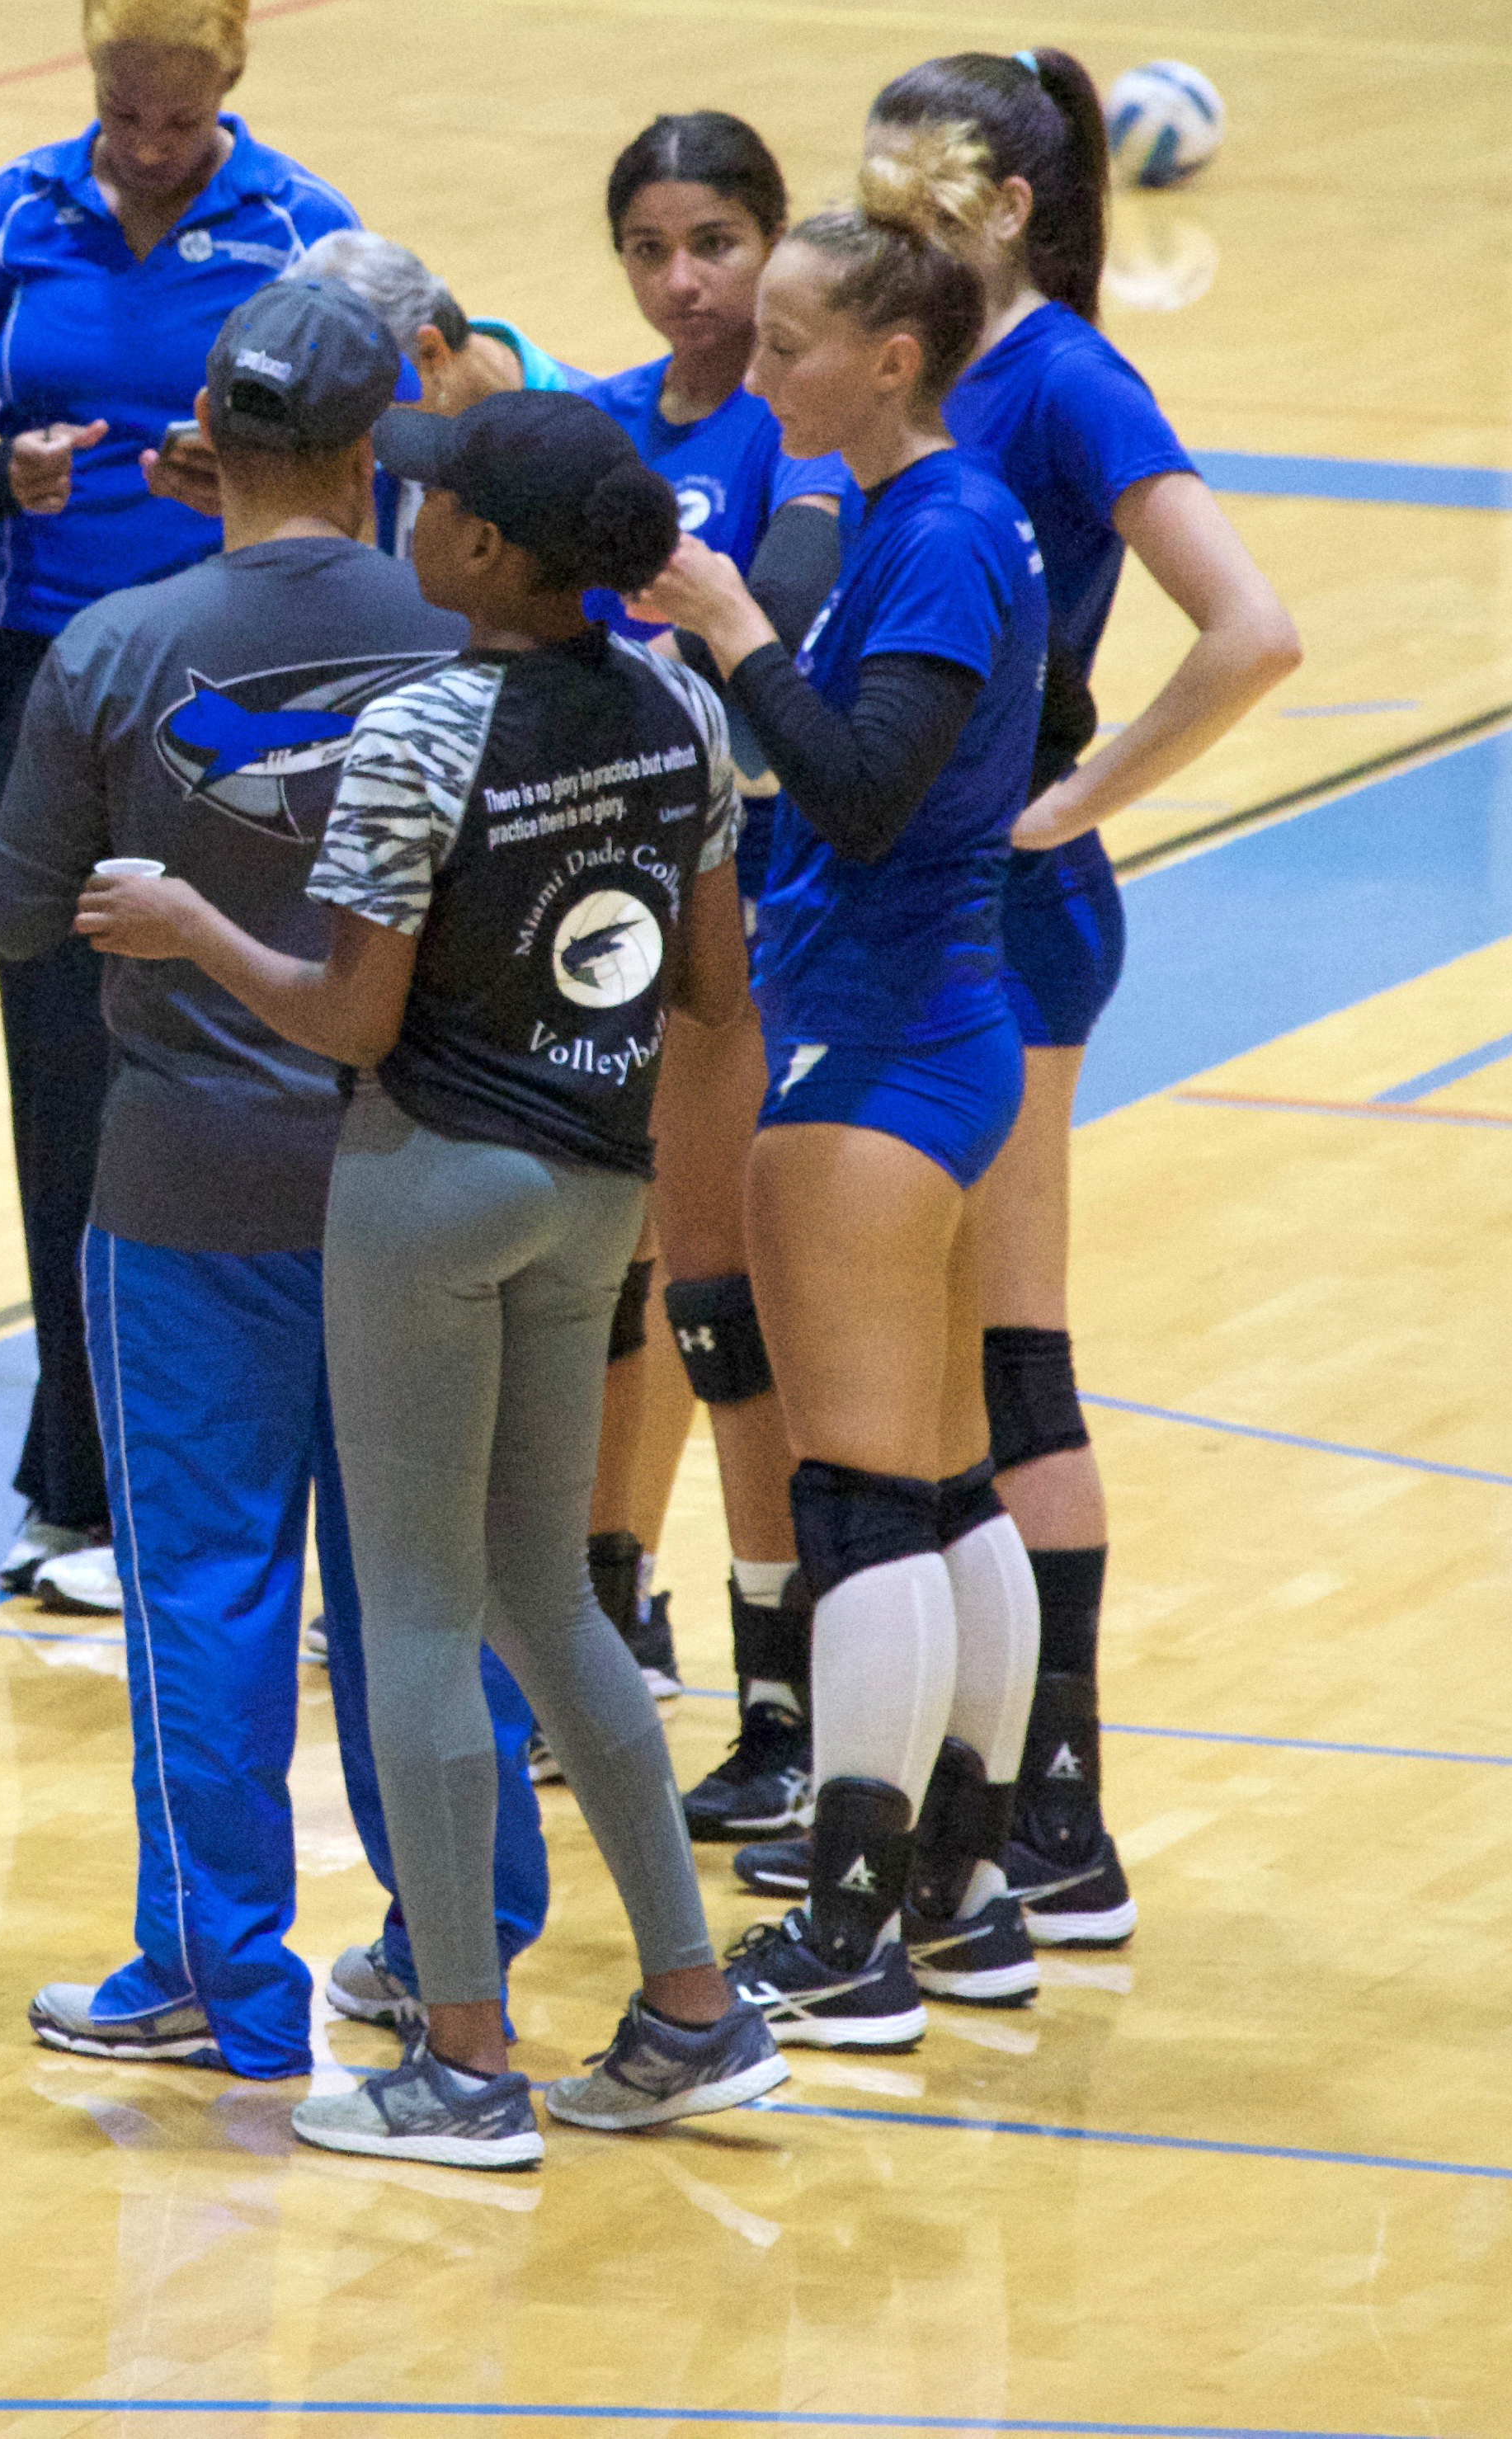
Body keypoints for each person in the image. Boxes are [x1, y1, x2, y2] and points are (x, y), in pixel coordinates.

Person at [91, 390, 788, 2164]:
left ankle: (464, 2062)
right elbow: (714, 987)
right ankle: (693, 2006)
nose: (403, 510)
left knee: (409, 1616)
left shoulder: (420, 732)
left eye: (430, 499)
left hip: (425, 1188)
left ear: (483, 548)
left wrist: (190, 926)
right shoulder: (680, 708)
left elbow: (349, 1018)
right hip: (595, 1187)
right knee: (548, 1598)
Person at [783, 49, 1302, 1954]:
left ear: (1008, 209)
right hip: (916, 892)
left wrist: (1077, 796)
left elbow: (1252, 629)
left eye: (909, 196)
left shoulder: (1064, 379)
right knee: (929, 1376)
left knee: (1001, 1362)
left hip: (1003, 904)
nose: (879, 226)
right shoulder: (902, 370)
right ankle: (949, 1810)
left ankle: (1050, 1819)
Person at [0, 280, 473, 2088]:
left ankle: (216, 1978)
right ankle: (452, 1959)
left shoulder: (115, 643)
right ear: (375, 441)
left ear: (206, 428)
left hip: (187, 1190)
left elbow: (17, 911)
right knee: (431, 1590)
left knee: (205, 1584)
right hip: (425, 1180)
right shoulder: (470, 637)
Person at [638, 132, 1054, 2048]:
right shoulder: (919, 510)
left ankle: (856, 1932)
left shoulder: (944, 526)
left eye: (790, 343)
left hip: (884, 1044)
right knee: (948, 1486)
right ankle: (965, 1897)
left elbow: (869, 788)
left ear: (892, 359)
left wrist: (735, 630)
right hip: (927, 1024)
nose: (759, 366)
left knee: (863, 1499)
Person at [0, 0, 362, 1599]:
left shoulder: (304, 230)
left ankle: (255, 1456)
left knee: (248, 1064)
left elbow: (362, 475)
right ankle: (81, 1474)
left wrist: (243, 489)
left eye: (180, 115)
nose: (150, 144)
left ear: (233, 79)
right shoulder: (9, 214)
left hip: (242, 686)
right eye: (121, 109)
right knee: (66, 1079)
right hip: (41, 680)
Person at [571, 111, 850, 1839]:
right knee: (604, 1291)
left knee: (725, 1306)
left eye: (717, 245)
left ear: (773, 239)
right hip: (590, 912)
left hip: (743, 919)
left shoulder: (798, 425)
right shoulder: (603, 422)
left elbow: (787, 637)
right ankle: (601, 1621)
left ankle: (783, 1696)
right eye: (650, 249)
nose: (684, 281)